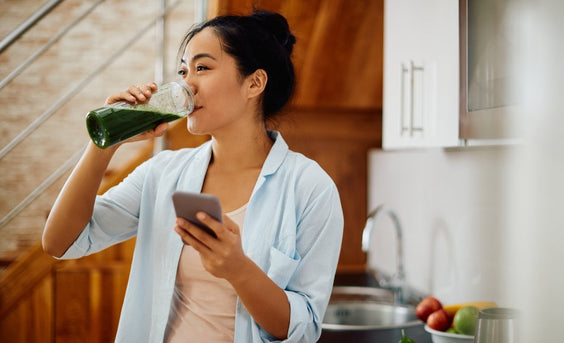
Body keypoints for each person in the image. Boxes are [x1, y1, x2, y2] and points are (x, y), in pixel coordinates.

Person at [42, 10, 343, 343]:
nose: (186, 84)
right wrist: (104, 146)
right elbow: (59, 242)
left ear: (254, 83)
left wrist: (238, 269)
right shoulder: (162, 173)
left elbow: (304, 328)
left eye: (202, 68)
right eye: (183, 71)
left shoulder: (310, 189)